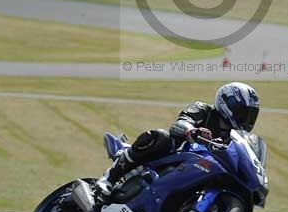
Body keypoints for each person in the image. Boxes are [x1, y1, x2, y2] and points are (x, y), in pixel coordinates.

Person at [88, 82, 260, 202]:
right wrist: (191, 131)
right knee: (160, 137)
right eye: (242, 112)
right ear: (226, 103)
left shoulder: (234, 137)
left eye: (250, 115)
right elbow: (180, 123)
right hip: (176, 155)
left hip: (202, 170)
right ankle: (108, 179)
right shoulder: (203, 109)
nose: (245, 119)